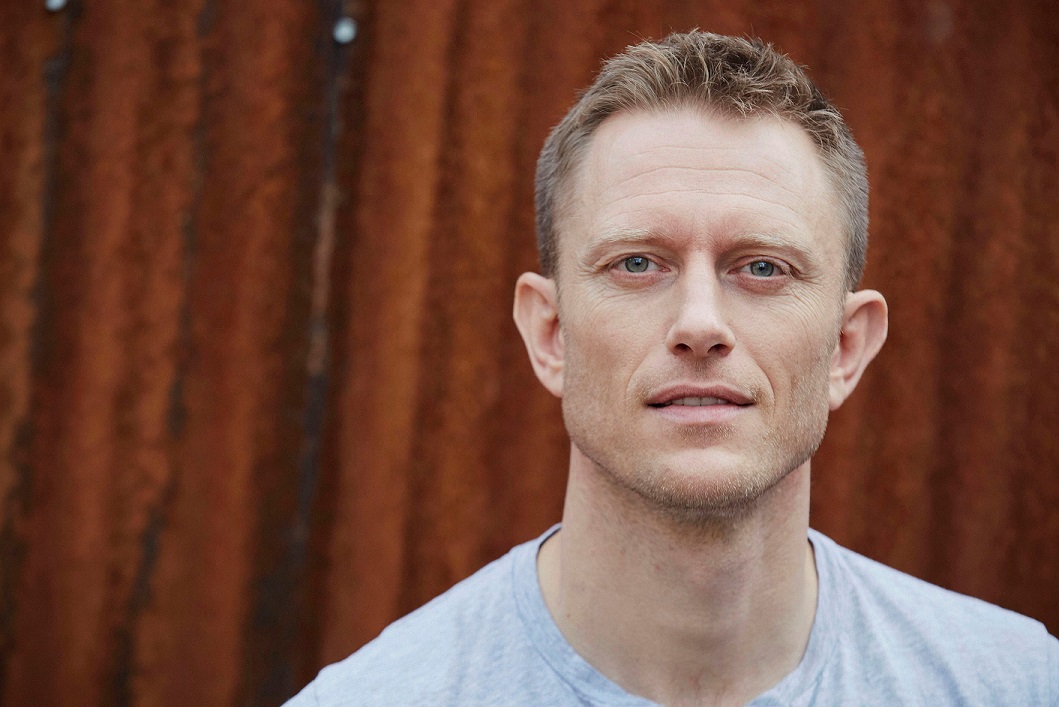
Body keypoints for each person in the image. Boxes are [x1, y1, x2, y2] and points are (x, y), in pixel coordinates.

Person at [287, 31, 1059, 706]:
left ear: (845, 346)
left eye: (761, 266)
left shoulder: (1017, 685)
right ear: (550, 333)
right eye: (636, 263)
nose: (698, 323)